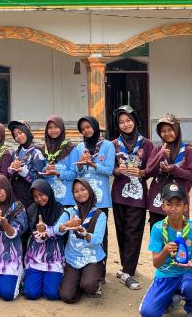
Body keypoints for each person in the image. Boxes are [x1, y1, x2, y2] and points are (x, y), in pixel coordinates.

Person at [139, 183, 192, 317]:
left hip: (186, 274)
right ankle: (173, 298)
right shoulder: (158, 228)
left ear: (185, 207)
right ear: (163, 206)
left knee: (191, 287)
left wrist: (191, 263)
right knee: (148, 312)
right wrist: (165, 250)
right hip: (165, 274)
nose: (173, 209)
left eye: (178, 204)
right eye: (169, 204)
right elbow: (156, 263)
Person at [110, 106, 154, 290]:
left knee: (134, 233)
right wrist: (116, 170)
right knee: (121, 232)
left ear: (135, 121)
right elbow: (109, 168)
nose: (125, 124)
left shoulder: (147, 144)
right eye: (121, 122)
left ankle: (128, 271)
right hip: (119, 194)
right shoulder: (113, 144)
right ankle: (126, 267)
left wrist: (142, 172)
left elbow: (151, 168)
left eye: (128, 120)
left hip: (138, 196)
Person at [75, 115, 115, 282]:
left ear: (95, 127)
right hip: (83, 198)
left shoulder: (107, 145)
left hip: (101, 198)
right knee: (81, 231)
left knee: (100, 235)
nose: (86, 130)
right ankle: (84, 269)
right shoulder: (79, 147)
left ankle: (100, 272)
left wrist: (93, 164)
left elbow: (109, 170)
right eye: (83, 129)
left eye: (88, 127)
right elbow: (78, 172)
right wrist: (81, 163)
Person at [55, 178, 107, 304]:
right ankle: (79, 281)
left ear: (89, 190)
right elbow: (57, 230)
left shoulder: (100, 214)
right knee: (67, 296)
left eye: (83, 189)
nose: (80, 193)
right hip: (73, 258)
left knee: (89, 286)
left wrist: (84, 233)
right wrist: (66, 225)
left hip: (92, 258)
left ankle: (92, 282)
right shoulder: (70, 212)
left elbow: (98, 239)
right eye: (76, 191)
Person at [145, 114, 192, 229]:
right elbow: (148, 171)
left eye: (170, 130)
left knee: (179, 237)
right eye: (163, 131)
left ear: (177, 130)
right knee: (159, 237)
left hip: (179, 203)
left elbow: (191, 175)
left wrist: (174, 169)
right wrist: (160, 155)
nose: (167, 133)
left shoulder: (188, 151)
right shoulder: (157, 150)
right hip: (158, 204)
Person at [23, 179, 65, 300]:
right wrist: (39, 233)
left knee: (52, 294)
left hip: (55, 256)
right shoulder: (32, 210)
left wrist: (46, 229)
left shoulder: (59, 209)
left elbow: (61, 232)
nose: (39, 199)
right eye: (35, 197)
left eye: (41, 194)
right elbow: (29, 233)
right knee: (31, 293)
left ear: (48, 192)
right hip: (35, 256)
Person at [7, 120, 45, 209]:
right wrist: (11, 169)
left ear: (27, 131)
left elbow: (40, 178)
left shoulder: (36, 152)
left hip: (31, 197)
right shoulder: (15, 153)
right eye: (15, 135)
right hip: (16, 196)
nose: (18, 137)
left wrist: (23, 171)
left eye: (20, 132)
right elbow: (10, 175)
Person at [41, 116, 77, 207]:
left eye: (56, 127)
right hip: (48, 200)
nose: (53, 130)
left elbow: (74, 174)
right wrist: (45, 171)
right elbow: (39, 174)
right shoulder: (43, 149)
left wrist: (58, 172)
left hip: (67, 200)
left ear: (61, 128)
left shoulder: (70, 148)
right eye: (50, 127)